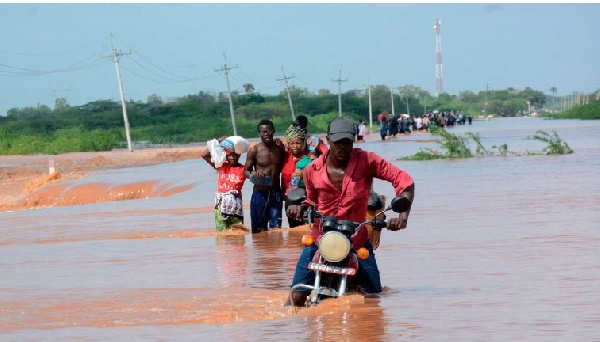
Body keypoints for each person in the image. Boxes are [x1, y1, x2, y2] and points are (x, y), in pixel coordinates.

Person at [287, 117, 415, 306]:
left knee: (374, 298)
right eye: (337, 142)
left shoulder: (368, 161)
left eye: (347, 142)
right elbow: (309, 201)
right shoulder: (312, 170)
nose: (342, 147)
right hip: (321, 239)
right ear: (328, 139)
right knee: (295, 298)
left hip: (356, 240)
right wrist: (298, 207)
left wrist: (402, 218)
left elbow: (404, 181)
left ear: (353, 140)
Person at [244, 119, 285, 233]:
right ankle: (260, 251)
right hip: (260, 194)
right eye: (263, 132)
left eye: (268, 131)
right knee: (258, 232)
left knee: (276, 230)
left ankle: (272, 251)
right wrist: (254, 174)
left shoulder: (280, 148)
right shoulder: (254, 150)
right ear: (260, 134)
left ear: (273, 131)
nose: (266, 134)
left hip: (276, 193)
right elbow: (245, 171)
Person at [201, 136, 248, 231]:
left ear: (239, 155)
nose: (232, 158)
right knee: (221, 234)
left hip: (236, 207)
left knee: (239, 234)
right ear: (225, 156)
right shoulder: (221, 166)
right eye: (229, 155)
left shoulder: (243, 169)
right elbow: (204, 155)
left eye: (234, 155)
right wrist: (219, 140)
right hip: (220, 206)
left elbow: (253, 176)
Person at [281, 123, 311, 228]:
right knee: (293, 229)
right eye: (292, 143)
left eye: (298, 143)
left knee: (305, 228)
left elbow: (317, 176)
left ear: (303, 143)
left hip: (304, 199)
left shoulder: (308, 159)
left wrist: (304, 174)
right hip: (289, 199)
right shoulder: (285, 157)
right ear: (288, 144)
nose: (295, 146)